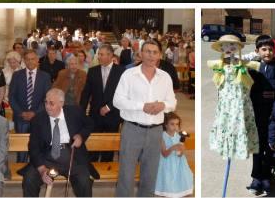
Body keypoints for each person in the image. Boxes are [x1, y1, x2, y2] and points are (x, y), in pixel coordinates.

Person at [113, 40, 177, 197]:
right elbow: (117, 101)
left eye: (155, 52)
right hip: (132, 130)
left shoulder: (165, 77)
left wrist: (163, 105)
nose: (151, 55)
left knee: (150, 175)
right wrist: (142, 106)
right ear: (140, 54)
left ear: (160, 56)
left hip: (155, 131)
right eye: (147, 51)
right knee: (126, 175)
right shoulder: (129, 74)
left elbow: (173, 102)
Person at [21, 88, 98, 197]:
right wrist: (42, 169)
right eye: (46, 102)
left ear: (61, 103)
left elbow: (89, 124)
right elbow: (34, 147)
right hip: (47, 160)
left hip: (72, 159)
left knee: (84, 181)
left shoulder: (74, 112)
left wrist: (81, 136)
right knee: (29, 179)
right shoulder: (38, 119)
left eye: (51, 103)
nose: (47, 106)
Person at [247, 35, 275, 196]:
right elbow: (246, 91)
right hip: (257, 115)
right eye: (264, 49)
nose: (267, 52)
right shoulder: (252, 69)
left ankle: (266, 176)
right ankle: (256, 177)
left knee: (270, 147)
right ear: (257, 51)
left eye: (270, 49)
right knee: (257, 148)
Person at [80, 43, 125, 162]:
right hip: (95, 114)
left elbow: (123, 94)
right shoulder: (92, 71)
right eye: (98, 54)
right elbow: (86, 94)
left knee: (109, 145)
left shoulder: (121, 71)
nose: (98, 57)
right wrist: (81, 113)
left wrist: (109, 107)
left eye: (101, 54)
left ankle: (106, 164)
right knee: (93, 144)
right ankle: (92, 167)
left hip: (113, 114)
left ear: (110, 55)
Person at [9, 49, 52, 163]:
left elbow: (47, 99)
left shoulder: (45, 77)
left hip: (38, 118)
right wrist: (20, 112)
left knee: (37, 146)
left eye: (33, 59)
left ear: (37, 60)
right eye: (27, 59)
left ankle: (35, 168)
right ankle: (21, 165)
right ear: (24, 61)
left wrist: (35, 113)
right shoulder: (17, 75)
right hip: (21, 118)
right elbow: (11, 97)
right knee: (21, 147)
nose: (30, 62)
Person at [154, 112, 194, 198]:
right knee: (168, 182)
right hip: (167, 164)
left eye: (177, 124)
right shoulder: (162, 136)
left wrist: (182, 150)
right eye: (172, 124)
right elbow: (164, 154)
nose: (175, 126)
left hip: (179, 163)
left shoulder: (179, 136)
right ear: (166, 125)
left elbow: (181, 151)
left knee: (182, 179)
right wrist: (173, 147)